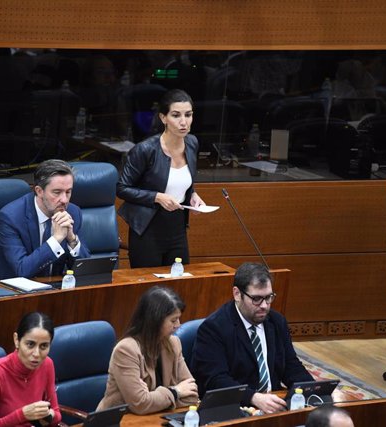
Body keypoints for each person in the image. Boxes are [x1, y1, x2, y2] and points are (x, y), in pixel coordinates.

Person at [192, 262, 314, 414]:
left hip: (273, 404)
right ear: (237, 294)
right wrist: (253, 397)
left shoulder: (277, 321)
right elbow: (215, 380)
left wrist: (313, 389)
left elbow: (290, 365)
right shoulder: (214, 328)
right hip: (235, 408)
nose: (264, 306)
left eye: (269, 297)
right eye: (256, 299)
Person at [116, 88, 205, 268]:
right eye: (176, 115)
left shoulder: (192, 143)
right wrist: (157, 197)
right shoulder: (145, 150)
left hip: (177, 227)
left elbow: (182, 181)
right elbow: (122, 188)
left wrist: (192, 194)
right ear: (163, 118)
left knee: (178, 283)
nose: (183, 122)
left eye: (188, 115)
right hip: (148, 229)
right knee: (149, 290)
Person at [0, 159, 90, 281]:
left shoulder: (73, 213)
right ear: (39, 191)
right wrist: (56, 239)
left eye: (68, 192)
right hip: (4, 292)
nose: (64, 200)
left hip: (51, 289)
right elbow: (22, 270)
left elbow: (86, 270)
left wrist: (72, 240)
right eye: (57, 192)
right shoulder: (11, 217)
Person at [97, 286, 198, 415]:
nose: (178, 325)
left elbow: (192, 395)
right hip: (120, 421)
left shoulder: (173, 343)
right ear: (155, 321)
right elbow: (140, 404)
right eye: (173, 320)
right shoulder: (126, 350)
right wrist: (175, 392)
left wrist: (153, 399)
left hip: (155, 418)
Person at [0, 312, 62, 426]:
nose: (36, 354)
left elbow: (57, 414)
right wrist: (22, 415)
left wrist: (49, 415)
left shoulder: (47, 364)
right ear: (16, 340)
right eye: (30, 344)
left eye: (44, 346)